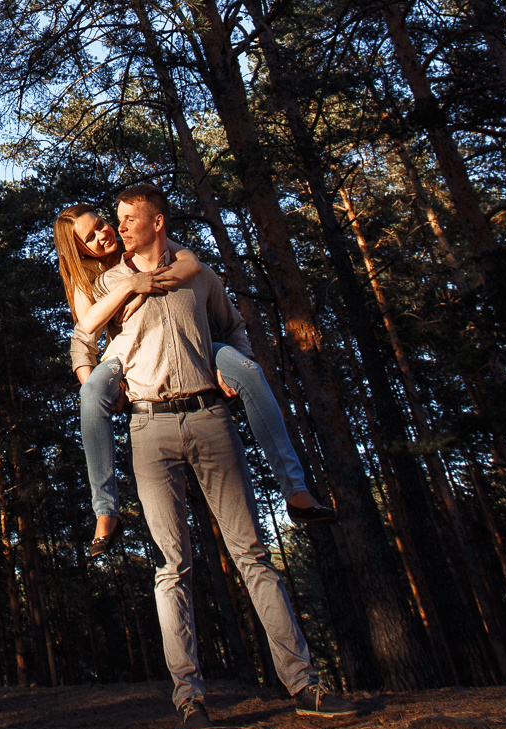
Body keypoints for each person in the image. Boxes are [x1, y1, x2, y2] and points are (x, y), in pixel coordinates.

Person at [102, 182, 351, 729]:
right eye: (118, 219)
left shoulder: (200, 274)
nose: (120, 227)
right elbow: (93, 339)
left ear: (157, 221)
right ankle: (189, 700)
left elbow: (233, 326)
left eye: (129, 218)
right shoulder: (113, 282)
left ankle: (305, 685)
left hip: (211, 419)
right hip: (148, 428)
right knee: (172, 568)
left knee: (252, 555)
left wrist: (229, 361)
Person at [55, 204, 332, 558]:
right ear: (78, 249)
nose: (102, 234)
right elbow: (83, 337)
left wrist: (151, 281)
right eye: (89, 237)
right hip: (129, 360)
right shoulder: (89, 283)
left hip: (191, 346)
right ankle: (105, 511)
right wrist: (130, 286)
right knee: (91, 392)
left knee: (247, 369)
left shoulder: (145, 245)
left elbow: (192, 264)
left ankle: (295, 489)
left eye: (101, 224)